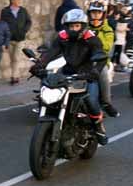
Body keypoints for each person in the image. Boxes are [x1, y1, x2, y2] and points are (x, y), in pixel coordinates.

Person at [34, 9, 109, 145]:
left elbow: (101, 55)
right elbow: (52, 52)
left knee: (91, 101)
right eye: (71, 26)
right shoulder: (62, 37)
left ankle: (99, 126)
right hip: (67, 72)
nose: (73, 29)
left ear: (82, 26)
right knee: (49, 90)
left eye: (77, 26)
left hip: (86, 74)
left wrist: (95, 71)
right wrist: (39, 64)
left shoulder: (91, 38)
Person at [86, 0, 119, 117]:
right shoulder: (84, 26)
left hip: (100, 60)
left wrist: (94, 35)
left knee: (103, 71)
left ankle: (106, 103)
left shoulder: (107, 29)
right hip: (82, 59)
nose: (95, 15)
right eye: (93, 12)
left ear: (103, 14)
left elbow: (107, 46)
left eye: (98, 13)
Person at [1, 0, 33, 85]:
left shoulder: (23, 10)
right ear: (12, 0)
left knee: (16, 58)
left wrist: (24, 30)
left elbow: (29, 22)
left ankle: (14, 77)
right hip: (9, 39)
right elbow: (2, 23)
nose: (20, 1)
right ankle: (16, 75)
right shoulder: (5, 11)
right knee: (12, 59)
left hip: (20, 39)